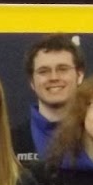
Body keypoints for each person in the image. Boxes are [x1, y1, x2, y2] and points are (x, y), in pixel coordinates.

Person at [10, 34, 84, 171]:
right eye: (43, 71)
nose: (54, 77)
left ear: (79, 76)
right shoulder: (8, 143)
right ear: (32, 81)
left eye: (63, 69)